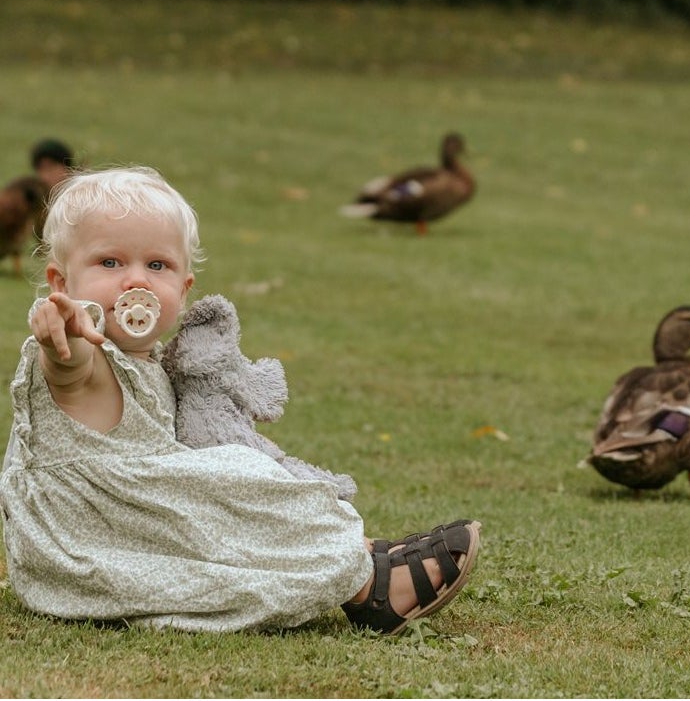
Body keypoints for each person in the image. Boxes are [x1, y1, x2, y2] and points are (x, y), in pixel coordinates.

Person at [0, 166, 480, 634]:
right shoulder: (86, 355)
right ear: (61, 284)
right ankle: (370, 588)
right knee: (239, 477)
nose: (136, 281)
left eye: (157, 265)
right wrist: (60, 332)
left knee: (238, 488)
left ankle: (362, 551)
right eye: (109, 263)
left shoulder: (152, 362)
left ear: (183, 290)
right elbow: (68, 371)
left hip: (139, 526)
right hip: (88, 546)